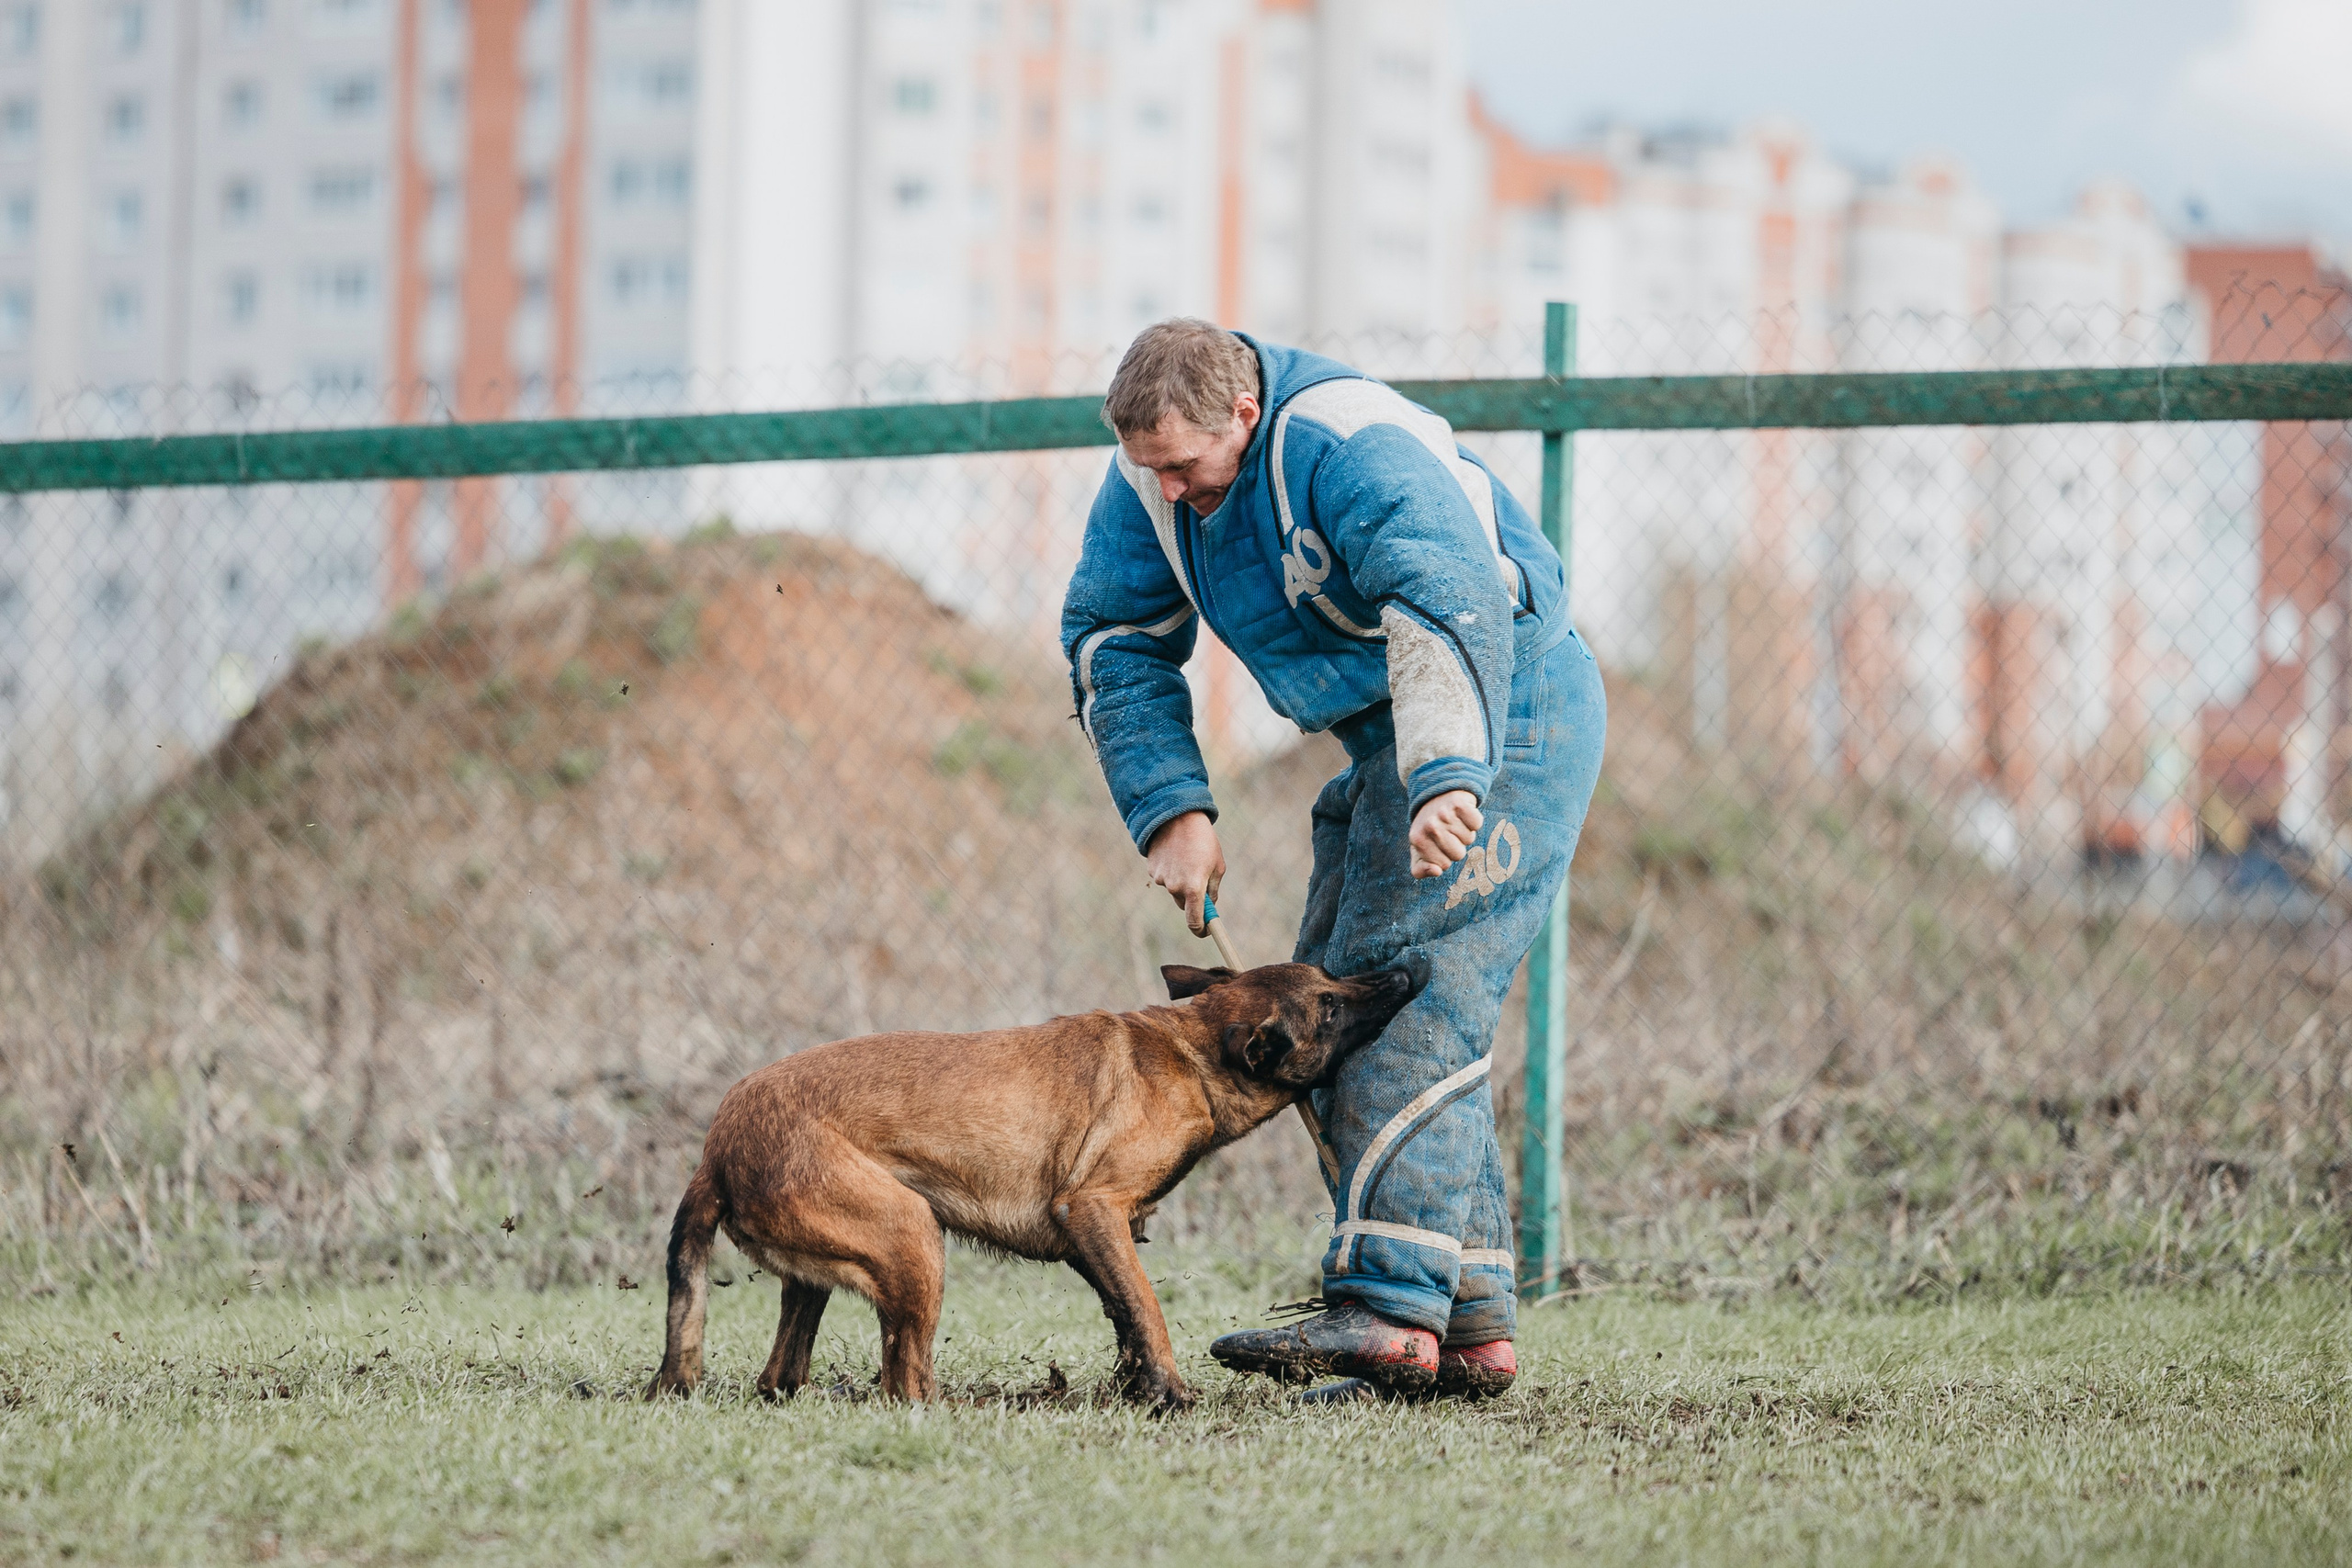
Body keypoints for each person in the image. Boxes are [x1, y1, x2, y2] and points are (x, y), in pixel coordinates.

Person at [1060, 319, 1606, 1403]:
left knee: (1388, 1002)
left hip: (1510, 712)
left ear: (1245, 418)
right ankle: (1466, 1325)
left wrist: (1451, 770)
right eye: (1144, 464)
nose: (1166, 490)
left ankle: (1391, 1316)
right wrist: (1172, 810)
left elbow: (1447, 591)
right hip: (1383, 740)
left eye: (1183, 465)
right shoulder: (1147, 492)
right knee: (1305, 1012)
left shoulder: (1345, 443)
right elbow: (1111, 639)